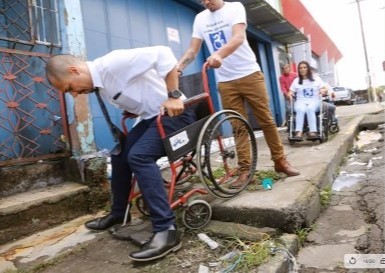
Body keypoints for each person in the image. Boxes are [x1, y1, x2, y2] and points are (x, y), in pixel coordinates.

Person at [45, 46, 196, 262]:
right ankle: (119, 213)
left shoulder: (113, 63)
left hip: (176, 114)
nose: (75, 94)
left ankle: (167, 231)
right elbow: (139, 90)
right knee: (119, 155)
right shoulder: (100, 84)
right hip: (151, 117)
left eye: (70, 88)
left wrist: (173, 95)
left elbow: (163, 54)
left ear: (74, 70)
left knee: (139, 156)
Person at [177, 0, 300, 188]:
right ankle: (245, 171)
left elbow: (238, 38)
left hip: (250, 74)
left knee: (265, 120)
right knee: (238, 126)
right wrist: (178, 67)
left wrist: (219, 54)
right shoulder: (200, 19)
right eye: (202, 0)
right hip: (225, 82)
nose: (206, 2)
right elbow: (193, 50)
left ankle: (280, 161)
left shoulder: (235, 8)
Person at [287, 61, 326, 140]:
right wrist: (290, 94)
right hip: (301, 102)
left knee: (310, 109)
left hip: (314, 101)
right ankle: (298, 132)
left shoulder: (316, 79)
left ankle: (313, 132)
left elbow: (324, 88)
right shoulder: (296, 81)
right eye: (300, 68)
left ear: (308, 68)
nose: (302, 69)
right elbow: (290, 91)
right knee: (300, 109)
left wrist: (323, 91)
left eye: (305, 67)